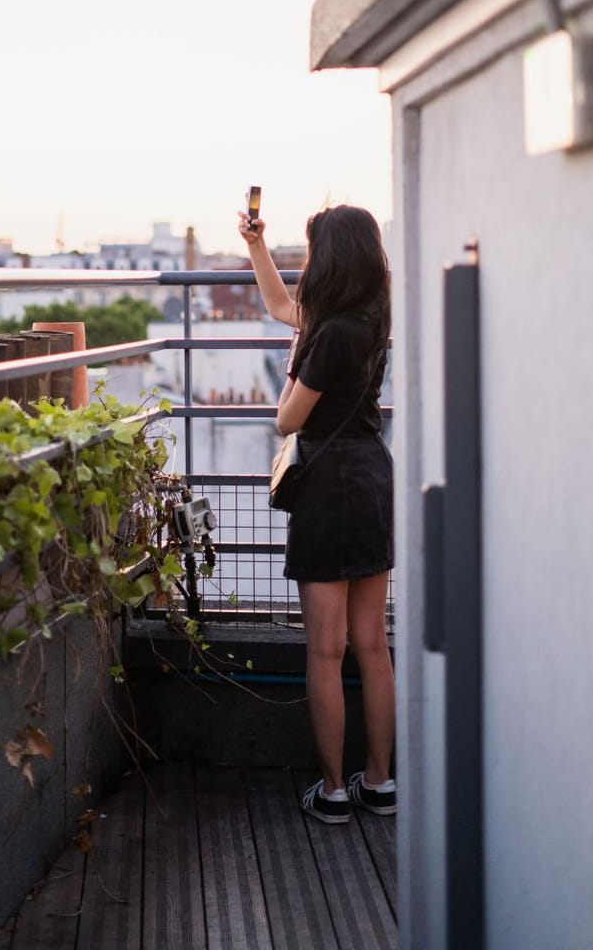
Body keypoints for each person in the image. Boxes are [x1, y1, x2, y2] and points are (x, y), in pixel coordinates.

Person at [239, 200, 396, 824]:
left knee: (326, 650)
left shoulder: (329, 336)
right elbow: (284, 308)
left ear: (327, 259)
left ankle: (332, 790)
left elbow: (286, 419)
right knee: (373, 647)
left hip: (330, 489)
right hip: (371, 474)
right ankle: (380, 782)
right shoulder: (367, 318)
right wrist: (257, 247)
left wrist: (291, 370)